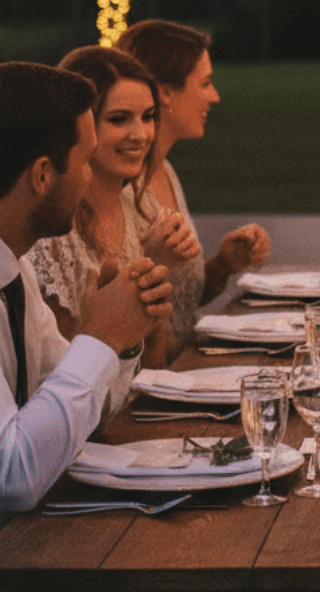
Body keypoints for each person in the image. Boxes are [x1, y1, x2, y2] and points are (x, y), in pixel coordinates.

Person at [0, 61, 172, 525]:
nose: (91, 178)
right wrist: (99, 340)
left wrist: (122, 338)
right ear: (43, 175)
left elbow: (77, 419)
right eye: (86, 161)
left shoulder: (12, 270)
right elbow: (12, 475)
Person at [29, 46, 202, 368]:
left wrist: (156, 277)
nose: (140, 135)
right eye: (119, 119)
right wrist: (147, 274)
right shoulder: (54, 233)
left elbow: (153, 367)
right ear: (80, 126)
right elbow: (62, 375)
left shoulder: (142, 206)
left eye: (148, 117)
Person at [117, 20, 270, 342]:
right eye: (205, 83)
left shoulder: (165, 172)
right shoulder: (120, 189)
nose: (214, 96)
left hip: (184, 367)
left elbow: (181, 303)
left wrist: (223, 265)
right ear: (166, 93)